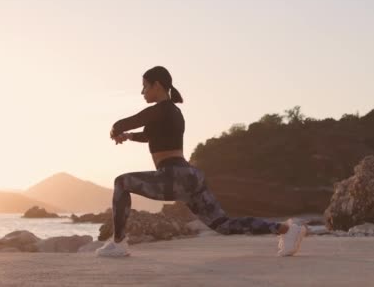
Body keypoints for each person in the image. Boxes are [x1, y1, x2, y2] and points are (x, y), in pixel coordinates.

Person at [95, 66, 306, 257]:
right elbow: (148, 134)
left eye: (145, 87)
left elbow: (126, 122)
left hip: (173, 176)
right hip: (190, 177)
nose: (142, 92)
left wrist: (116, 130)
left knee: (121, 182)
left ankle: (119, 243)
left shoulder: (162, 109)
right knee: (224, 225)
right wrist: (129, 136)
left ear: (157, 85)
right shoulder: (171, 113)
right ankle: (287, 230)